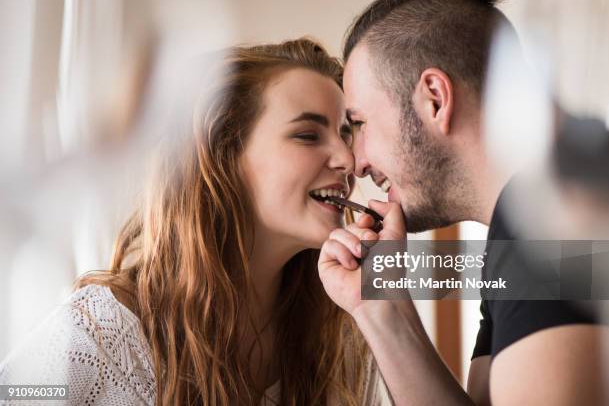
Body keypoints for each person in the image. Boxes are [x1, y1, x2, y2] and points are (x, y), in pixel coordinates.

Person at [0, 39, 390, 405]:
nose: (348, 160)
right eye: (308, 135)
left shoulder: (344, 337)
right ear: (222, 156)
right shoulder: (99, 338)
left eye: (345, 134)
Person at [318, 0, 609, 405]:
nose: (358, 163)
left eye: (360, 123)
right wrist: (379, 306)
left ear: (435, 99)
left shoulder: (559, 213)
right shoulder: (526, 223)